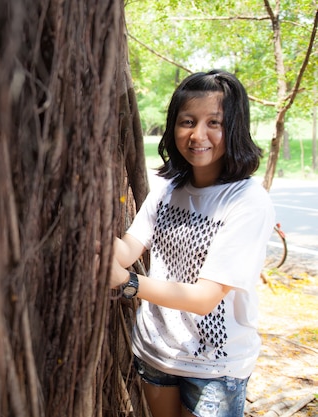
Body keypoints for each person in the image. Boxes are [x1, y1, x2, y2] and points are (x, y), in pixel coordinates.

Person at [111, 70, 275, 417]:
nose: (198, 135)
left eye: (213, 122)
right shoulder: (168, 190)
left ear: (233, 128)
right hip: (156, 351)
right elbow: (128, 248)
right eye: (187, 121)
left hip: (215, 367)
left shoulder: (247, 201)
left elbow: (204, 299)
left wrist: (128, 283)